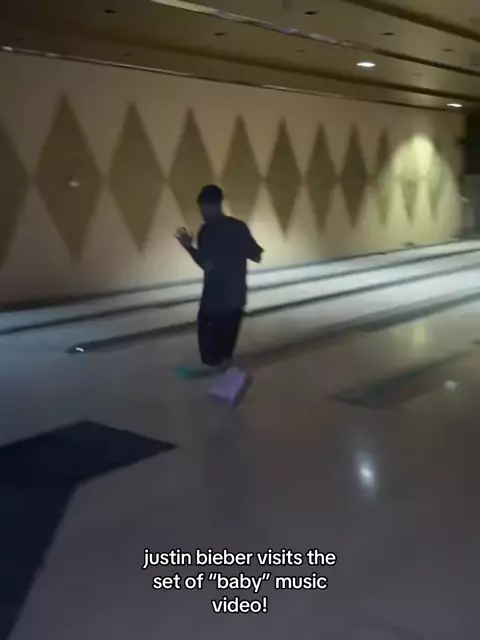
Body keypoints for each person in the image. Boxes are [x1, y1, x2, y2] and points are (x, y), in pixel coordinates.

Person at [175, 185, 263, 371]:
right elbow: (257, 256)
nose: (202, 213)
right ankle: (228, 376)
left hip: (214, 301)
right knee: (225, 354)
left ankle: (226, 380)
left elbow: (206, 265)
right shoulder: (238, 227)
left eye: (203, 208)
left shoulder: (207, 231)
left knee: (210, 357)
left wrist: (188, 247)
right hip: (236, 298)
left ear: (214, 205)